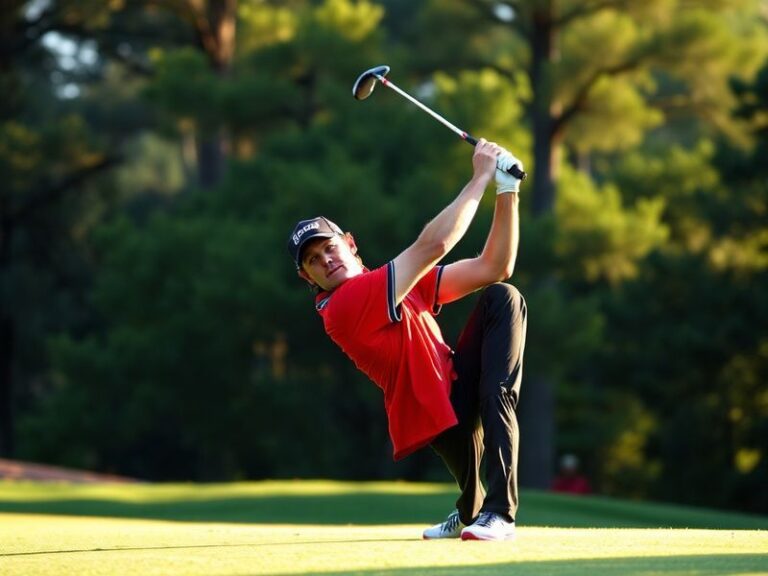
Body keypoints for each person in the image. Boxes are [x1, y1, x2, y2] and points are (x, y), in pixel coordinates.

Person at [287, 139, 527, 541]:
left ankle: (490, 513)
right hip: (439, 413)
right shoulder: (342, 306)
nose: (325, 260)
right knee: (487, 412)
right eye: (313, 260)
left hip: (457, 384)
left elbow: (494, 266)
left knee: (502, 298)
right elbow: (434, 245)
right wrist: (481, 176)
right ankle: (485, 514)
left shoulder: (395, 284)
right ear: (306, 277)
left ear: (350, 243)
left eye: (329, 247)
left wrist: (507, 190)